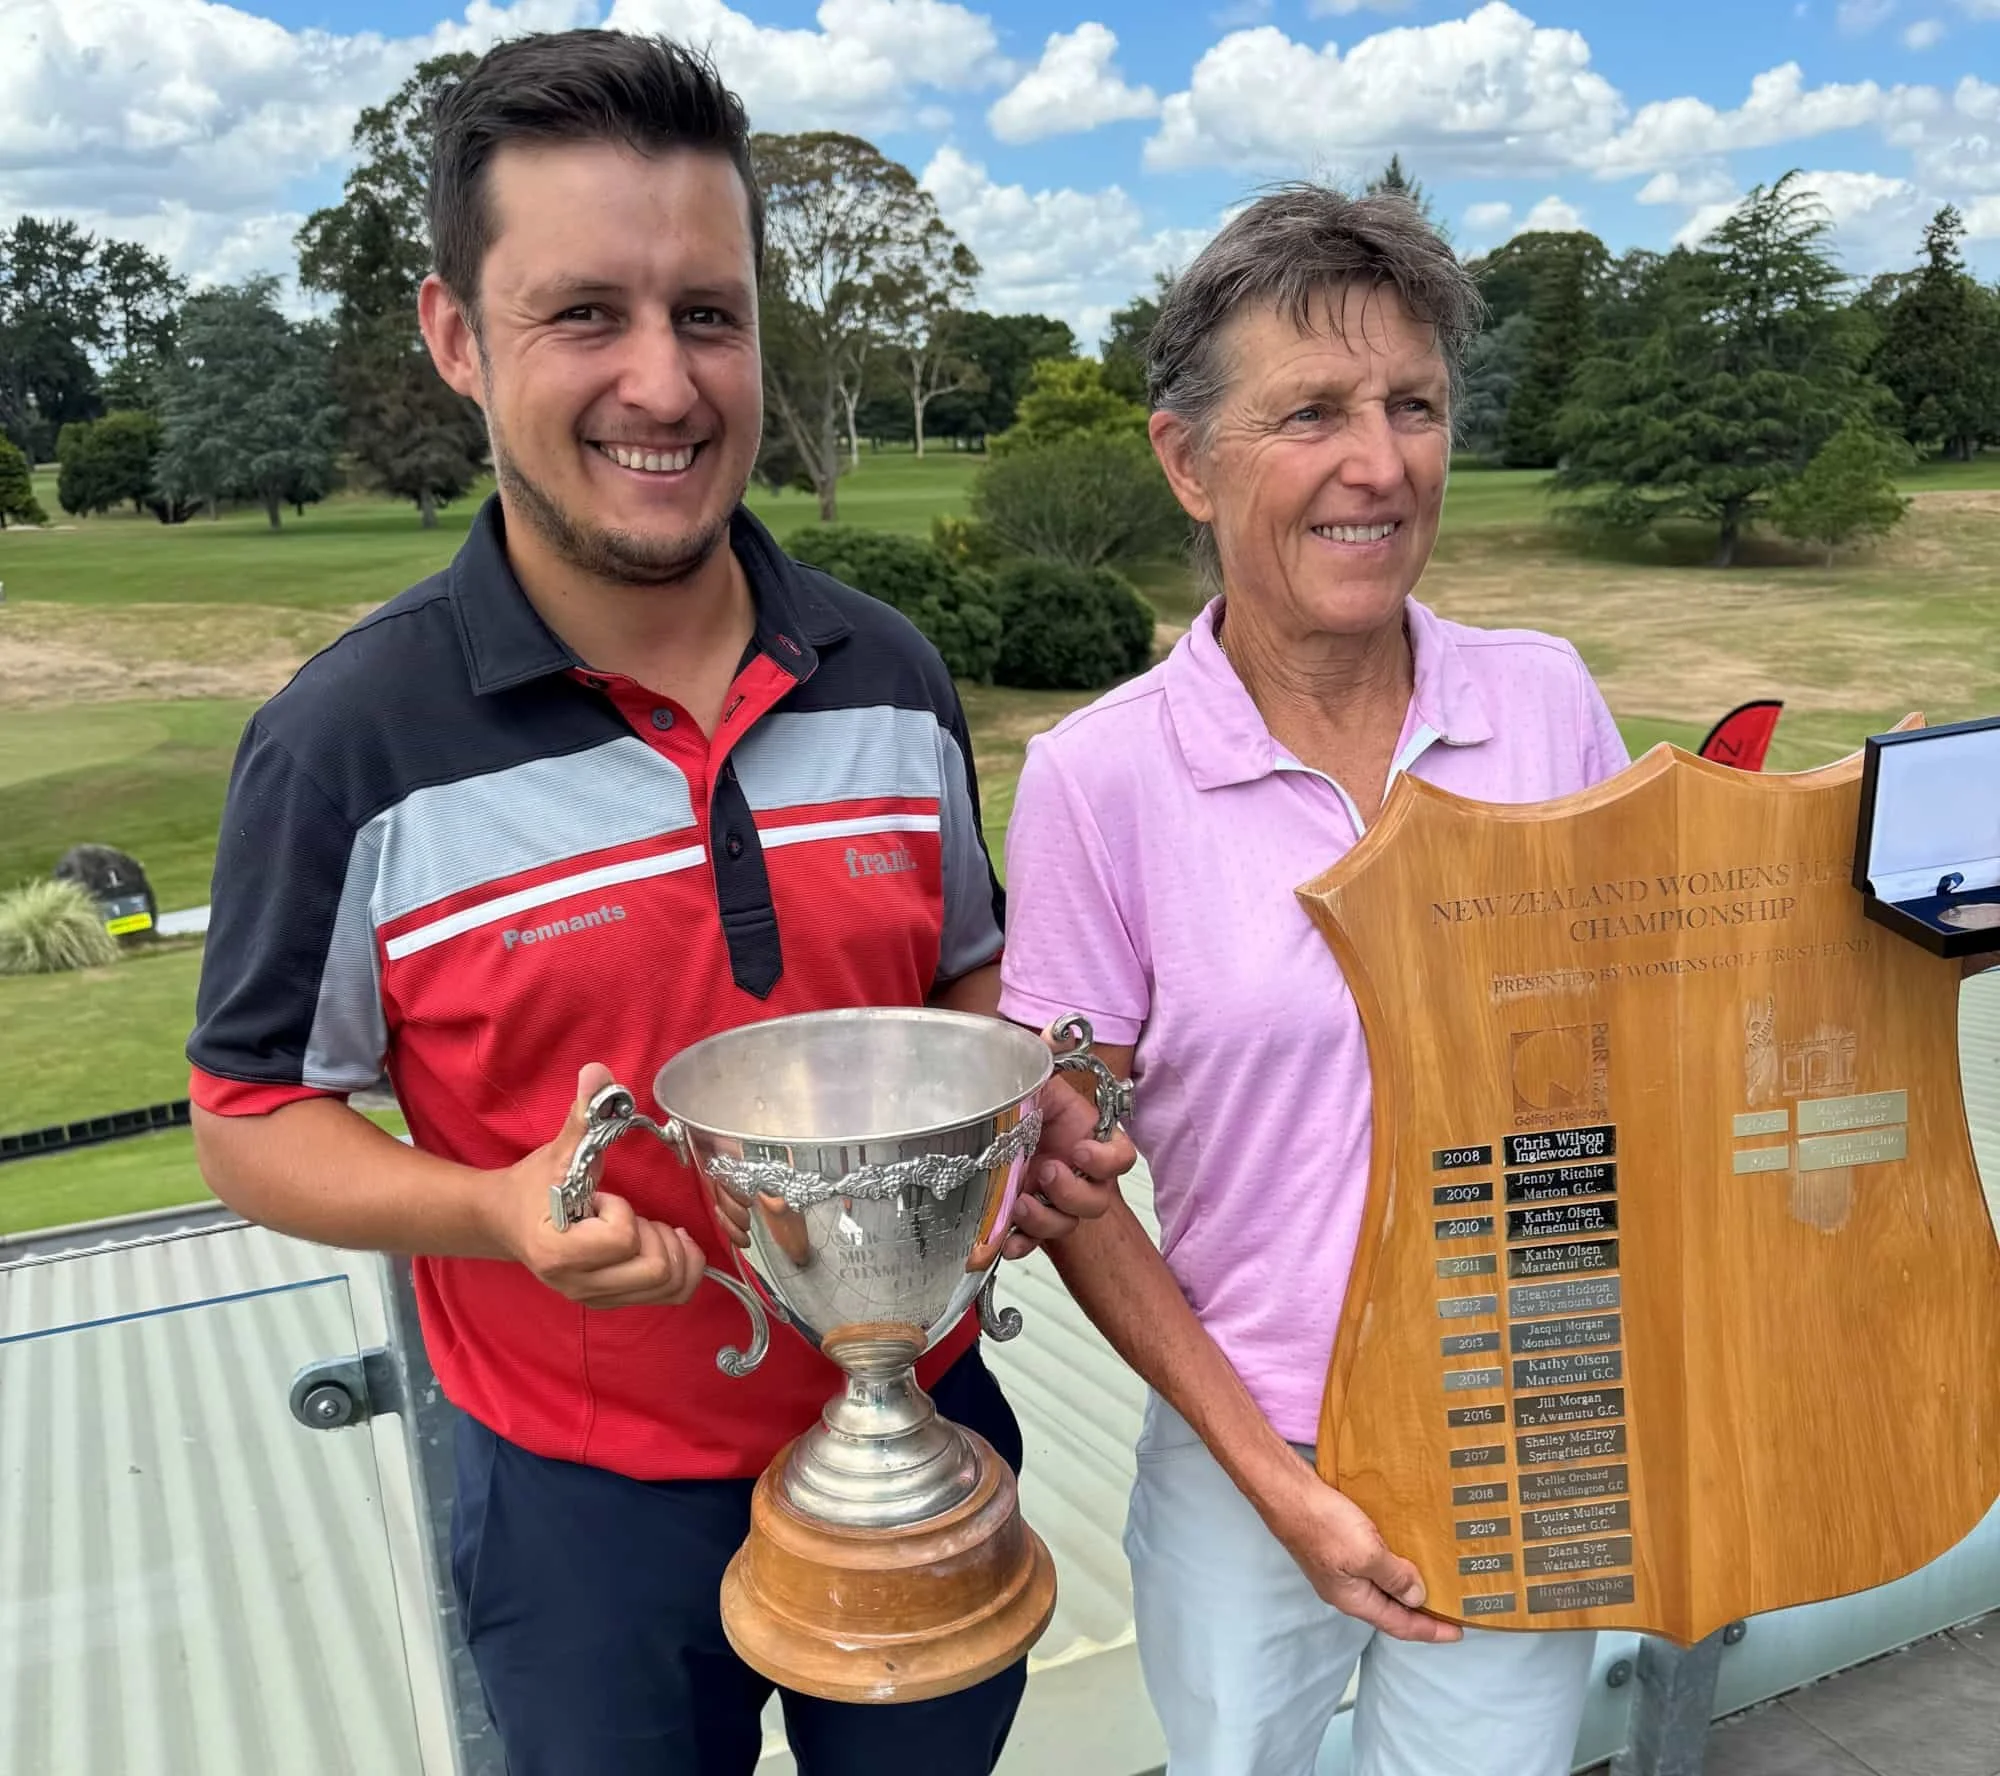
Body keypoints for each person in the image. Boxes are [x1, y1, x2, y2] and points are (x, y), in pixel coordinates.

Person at [185, 29, 1129, 1776]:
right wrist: (491, 1212)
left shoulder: (891, 675)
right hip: (582, 1516)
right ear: (457, 338)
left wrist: (1031, 1118)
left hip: (923, 1432)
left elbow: (970, 992)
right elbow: (247, 1120)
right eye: (584, 316)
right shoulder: (345, 743)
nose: (665, 383)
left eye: (709, 313)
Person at [997, 186, 1626, 1776]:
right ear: (1186, 460)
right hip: (1246, 1451)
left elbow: (1665, 1042)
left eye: (1415, 405)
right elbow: (1061, 1175)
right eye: (1313, 413)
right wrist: (1274, 1485)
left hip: (1525, 1413)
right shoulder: (1100, 778)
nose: (1380, 461)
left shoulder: (1546, 703)